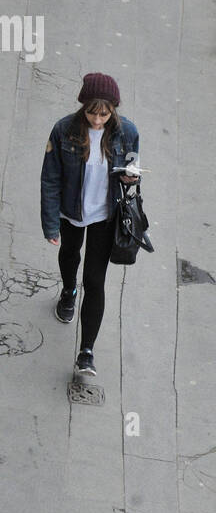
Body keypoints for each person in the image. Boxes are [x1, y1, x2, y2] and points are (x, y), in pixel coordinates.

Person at [41, 74, 140, 376]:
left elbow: (134, 166)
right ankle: (68, 291)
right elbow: (50, 179)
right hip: (71, 213)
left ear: (113, 111)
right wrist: (51, 224)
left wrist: (131, 176)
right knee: (70, 255)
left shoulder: (127, 133)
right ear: (83, 107)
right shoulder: (63, 130)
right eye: (91, 112)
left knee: (95, 282)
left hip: (104, 216)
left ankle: (86, 352)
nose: (97, 120)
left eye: (104, 114)